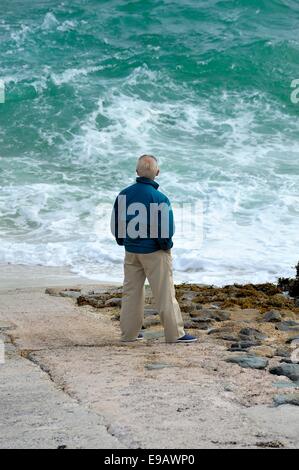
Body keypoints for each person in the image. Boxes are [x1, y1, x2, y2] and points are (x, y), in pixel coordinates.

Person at [111, 154, 197, 343]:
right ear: (157, 173)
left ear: (136, 172)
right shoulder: (159, 198)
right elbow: (166, 230)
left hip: (131, 251)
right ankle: (175, 334)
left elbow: (116, 223)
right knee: (164, 293)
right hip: (154, 252)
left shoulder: (123, 194)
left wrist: (122, 241)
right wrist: (166, 247)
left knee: (131, 292)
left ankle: (129, 334)